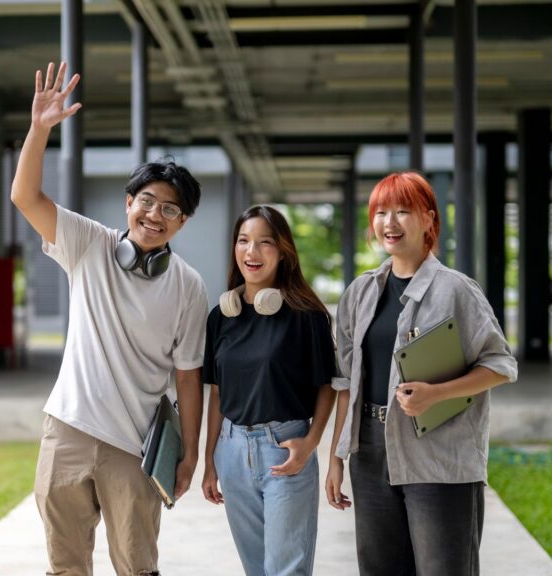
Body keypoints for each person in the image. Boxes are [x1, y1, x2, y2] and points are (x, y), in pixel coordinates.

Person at [11, 62, 207, 576]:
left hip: (135, 446)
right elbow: (25, 197)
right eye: (147, 202)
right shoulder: (88, 245)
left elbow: (189, 376)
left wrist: (189, 454)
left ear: (182, 222)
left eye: (170, 210)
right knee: (65, 566)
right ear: (128, 203)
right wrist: (39, 130)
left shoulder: (188, 285)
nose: (154, 215)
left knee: (137, 567)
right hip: (68, 431)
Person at [324, 172, 518, 576]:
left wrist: (436, 393)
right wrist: (337, 457)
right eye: (380, 212)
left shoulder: (456, 290)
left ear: (429, 219)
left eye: (402, 212)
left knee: (443, 568)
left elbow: (500, 365)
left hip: (440, 451)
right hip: (371, 450)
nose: (389, 223)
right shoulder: (361, 292)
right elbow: (346, 382)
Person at [201, 205, 337, 576]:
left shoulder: (307, 316)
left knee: (285, 570)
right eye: (243, 241)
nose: (252, 252)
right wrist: (209, 459)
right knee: (257, 570)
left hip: (285, 449)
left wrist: (310, 443)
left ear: (283, 251)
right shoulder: (220, 317)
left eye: (265, 243)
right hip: (231, 451)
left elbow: (327, 387)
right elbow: (216, 393)